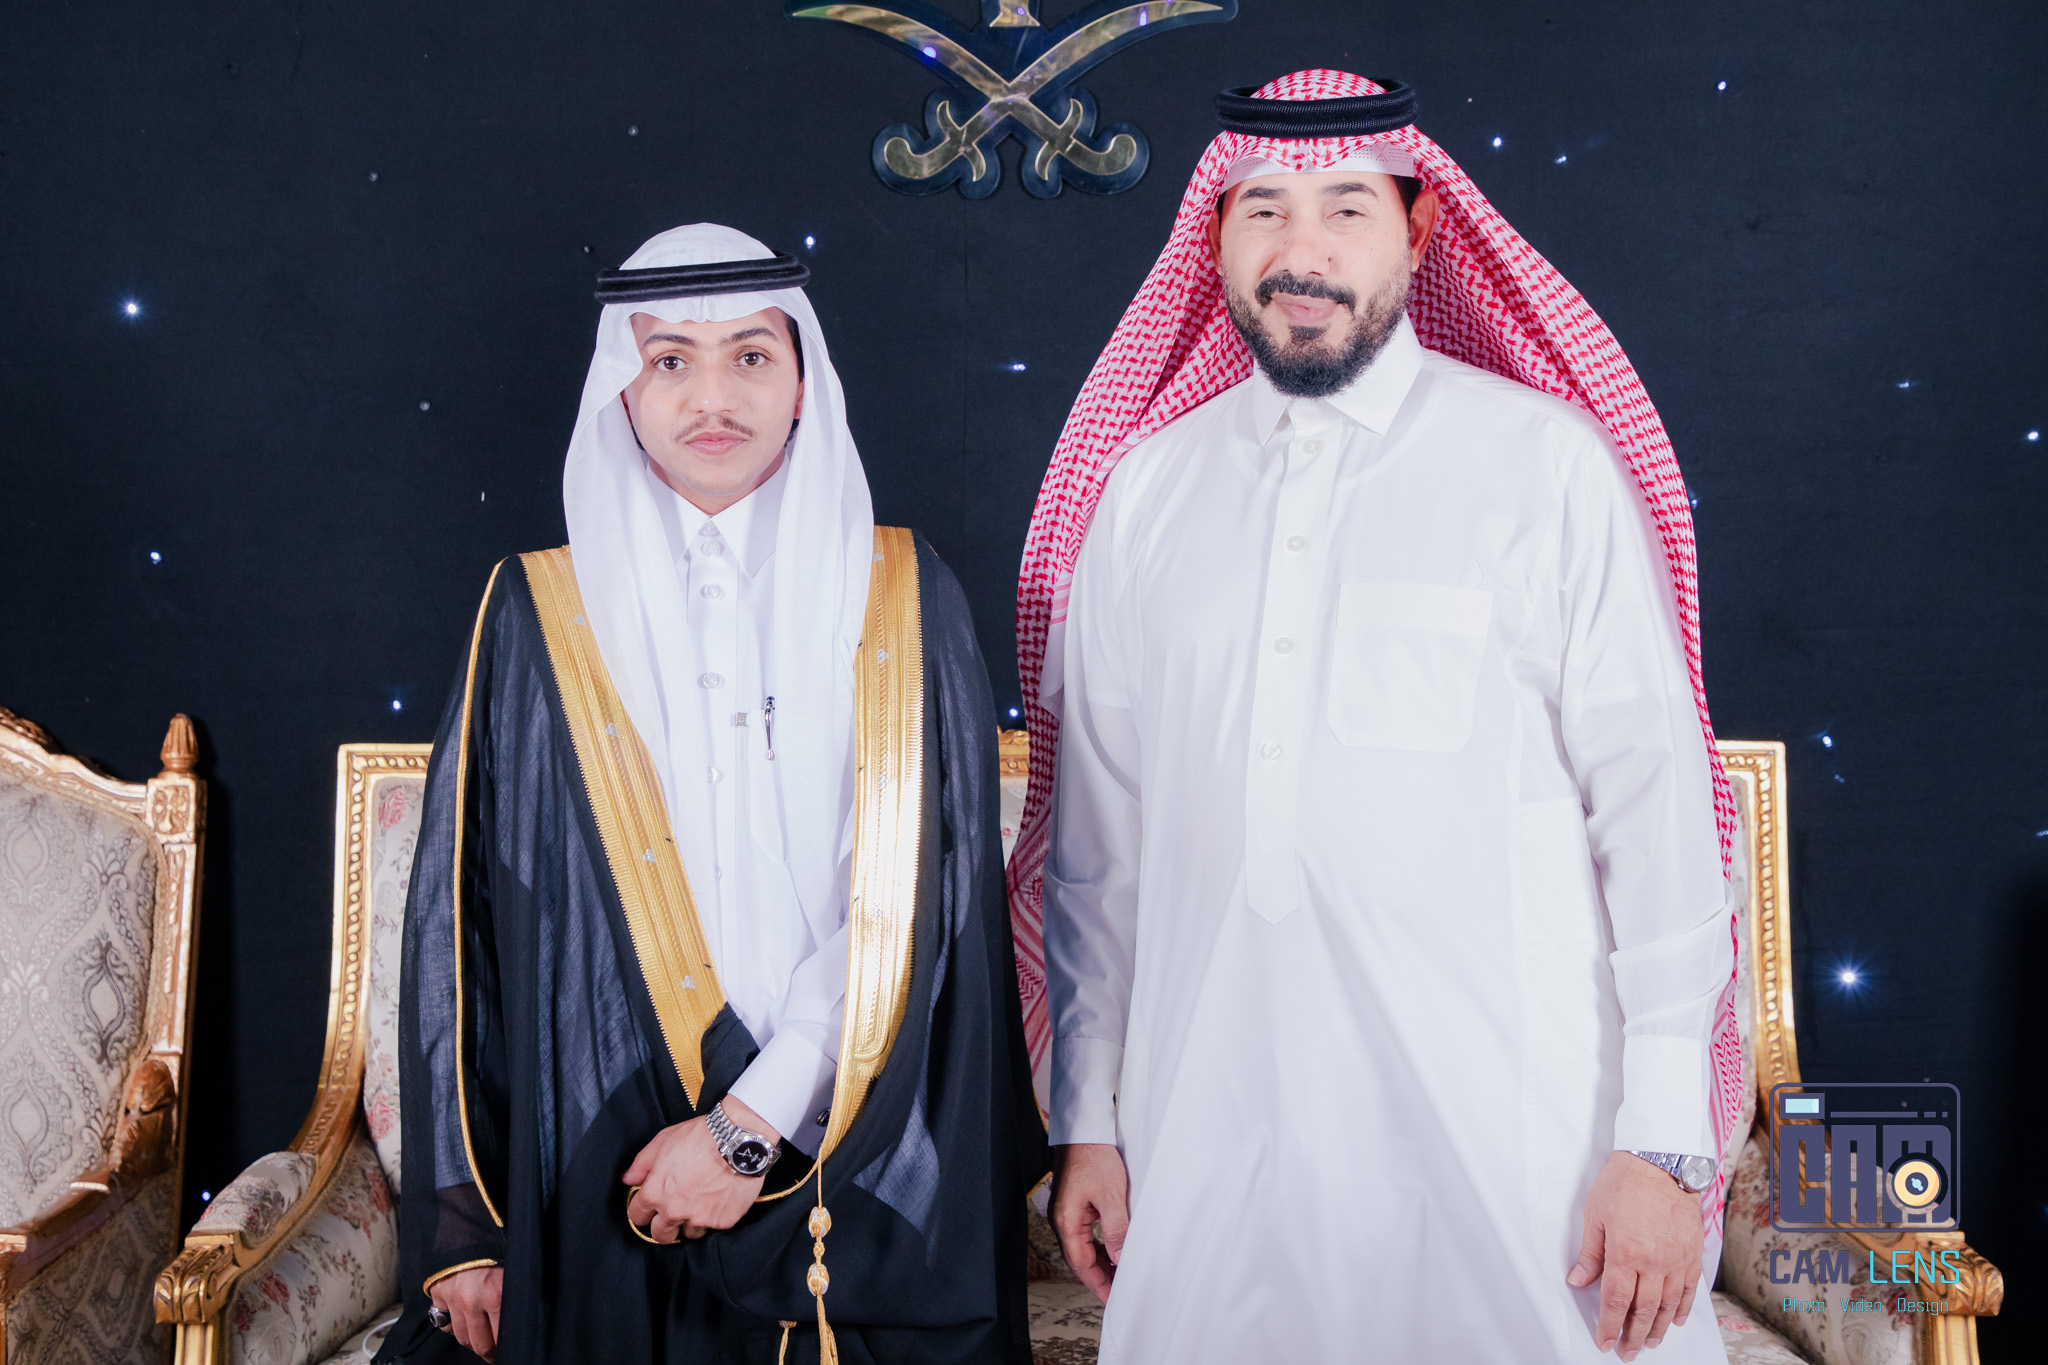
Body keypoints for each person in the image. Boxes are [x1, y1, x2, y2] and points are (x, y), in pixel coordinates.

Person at [1010, 71, 1743, 1363]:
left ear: (1418, 228)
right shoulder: (1141, 499)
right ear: (1213, 238)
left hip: (1523, 1164)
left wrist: (1662, 1143)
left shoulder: (1545, 468)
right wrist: (1088, 1122)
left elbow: (1660, 823)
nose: (1301, 253)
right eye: (1263, 211)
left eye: (1346, 208)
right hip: (1214, 1153)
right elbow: (1096, 864)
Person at [382, 224, 1045, 1365]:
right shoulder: (536, 612)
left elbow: (923, 907)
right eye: (670, 361)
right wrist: (465, 1232)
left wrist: (749, 1126)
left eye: (750, 355)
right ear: (623, 391)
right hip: (609, 1175)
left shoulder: (901, 591)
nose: (712, 398)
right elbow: (462, 937)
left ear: (803, 384)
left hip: (849, 1153)